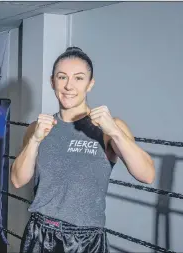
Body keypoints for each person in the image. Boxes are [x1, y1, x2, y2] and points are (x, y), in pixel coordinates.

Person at [11, 46, 155, 253]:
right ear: (53, 82)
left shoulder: (109, 128)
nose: (69, 86)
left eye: (78, 78)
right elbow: (17, 180)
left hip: (84, 240)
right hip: (40, 233)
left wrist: (114, 132)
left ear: (90, 84)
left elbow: (147, 175)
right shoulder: (38, 128)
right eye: (62, 77)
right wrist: (35, 140)